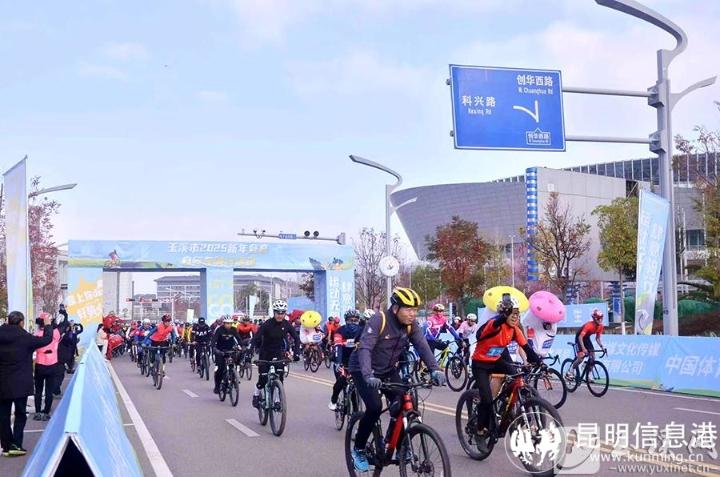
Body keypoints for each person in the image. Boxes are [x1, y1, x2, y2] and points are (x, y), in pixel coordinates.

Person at [347, 287, 446, 472]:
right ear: (395, 308)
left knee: (406, 402)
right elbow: (365, 348)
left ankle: (398, 445)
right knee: (374, 407)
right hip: (362, 369)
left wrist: (434, 369)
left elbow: (422, 346)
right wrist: (368, 375)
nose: (412, 314)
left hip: (387, 369)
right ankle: (358, 449)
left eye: (415, 310)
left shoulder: (411, 325)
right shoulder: (379, 319)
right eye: (408, 309)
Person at [470, 296, 541, 443]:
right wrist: (504, 313)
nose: (515, 317)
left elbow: (527, 349)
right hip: (480, 364)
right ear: (504, 314)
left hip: (496, 361)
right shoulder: (494, 325)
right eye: (512, 313)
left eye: (517, 314)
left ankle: (505, 407)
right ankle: (479, 430)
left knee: (517, 377)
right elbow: (497, 321)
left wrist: (539, 363)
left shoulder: (514, 330)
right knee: (487, 400)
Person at [0, 311, 53, 457]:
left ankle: (6, 446)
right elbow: (47, 339)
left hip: (2, 383)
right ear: (21, 322)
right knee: (20, 414)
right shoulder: (25, 338)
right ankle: (16, 445)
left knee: (3, 416)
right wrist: (47, 325)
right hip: (20, 383)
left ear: (8, 321)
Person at [251, 300, 300, 408]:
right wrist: (249, 353)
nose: (280, 315)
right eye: (278, 312)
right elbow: (256, 338)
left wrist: (297, 353)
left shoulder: (286, 324)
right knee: (263, 379)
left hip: (278, 353)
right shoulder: (267, 324)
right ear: (274, 312)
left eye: (282, 313)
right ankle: (256, 394)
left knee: (280, 377)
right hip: (265, 353)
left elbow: (296, 338)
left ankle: (277, 400)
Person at [328, 309, 362, 411]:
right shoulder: (340, 331)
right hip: (342, 359)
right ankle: (333, 400)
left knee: (356, 387)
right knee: (341, 381)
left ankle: (355, 412)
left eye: (355, 320)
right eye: (350, 320)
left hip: (356, 360)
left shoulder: (362, 330)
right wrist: (338, 362)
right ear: (346, 320)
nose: (353, 322)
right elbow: (338, 347)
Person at [32, 313, 61, 420]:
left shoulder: (37, 334)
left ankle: (38, 411)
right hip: (52, 364)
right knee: (49, 390)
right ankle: (46, 412)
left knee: (38, 390)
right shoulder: (56, 332)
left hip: (40, 364)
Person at [565, 308, 606, 381]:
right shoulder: (588, 325)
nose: (600, 320)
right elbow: (580, 337)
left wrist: (602, 347)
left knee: (592, 357)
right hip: (579, 338)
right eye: (598, 318)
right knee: (581, 357)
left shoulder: (601, 326)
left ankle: (588, 375)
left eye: (601, 318)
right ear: (594, 318)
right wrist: (583, 348)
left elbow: (597, 338)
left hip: (586, 338)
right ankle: (570, 371)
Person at [211, 316, 241, 394]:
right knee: (220, 369)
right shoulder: (219, 330)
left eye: (230, 323)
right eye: (227, 323)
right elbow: (214, 340)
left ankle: (233, 379)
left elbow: (238, 339)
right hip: (220, 351)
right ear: (224, 323)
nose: (229, 325)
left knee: (233, 364)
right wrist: (214, 348)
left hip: (231, 350)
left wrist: (242, 346)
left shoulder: (233, 330)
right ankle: (217, 386)